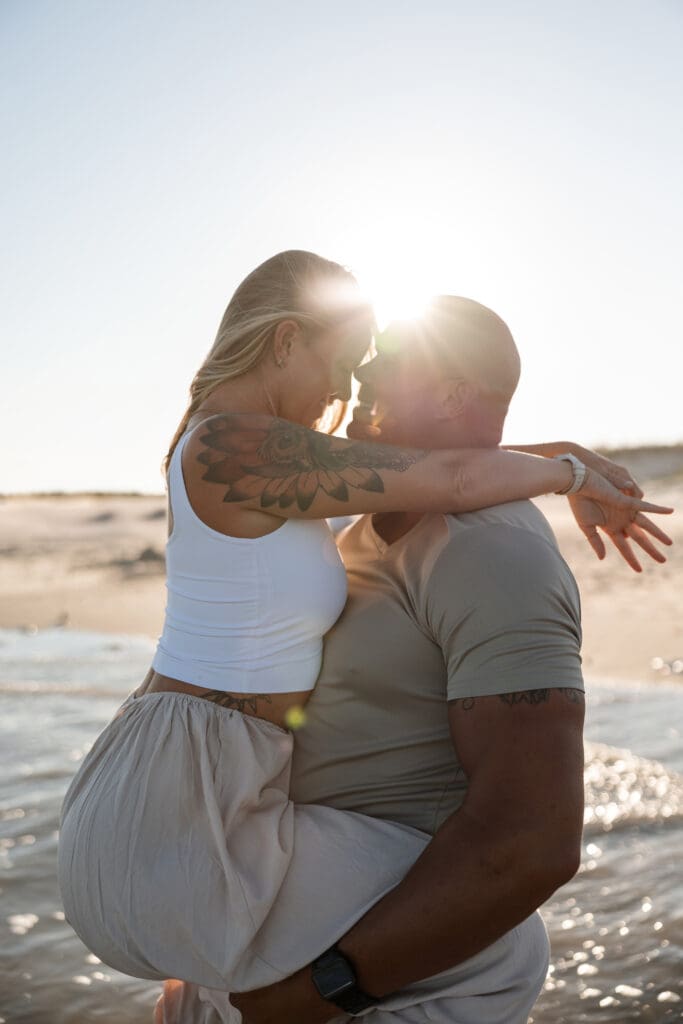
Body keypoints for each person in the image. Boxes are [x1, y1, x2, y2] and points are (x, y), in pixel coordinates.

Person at [57, 253, 669, 1020]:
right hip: (183, 796)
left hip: (200, 785)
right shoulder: (227, 445)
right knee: (502, 949)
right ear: (285, 342)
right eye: (345, 363)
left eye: (367, 369)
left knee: (469, 926)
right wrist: (570, 474)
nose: (345, 394)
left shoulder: (272, 473)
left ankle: (215, 996)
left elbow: (428, 468)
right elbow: (445, 474)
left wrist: (562, 459)